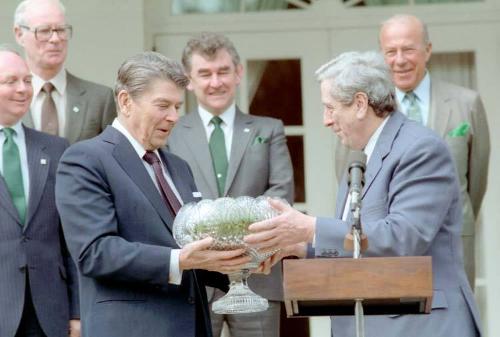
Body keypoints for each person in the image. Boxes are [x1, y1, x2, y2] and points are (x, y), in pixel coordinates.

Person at [245, 51, 482, 337]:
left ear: (360, 104)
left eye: (330, 108)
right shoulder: (360, 158)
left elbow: (402, 237)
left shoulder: (420, 149)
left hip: (420, 324)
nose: (326, 120)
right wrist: (301, 248)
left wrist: (310, 228)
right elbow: (358, 246)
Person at [55, 51, 253, 337]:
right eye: (163, 105)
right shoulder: (85, 159)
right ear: (125, 101)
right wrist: (180, 260)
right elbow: (95, 253)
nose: (173, 117)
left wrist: (239, 262)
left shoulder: (178, 166)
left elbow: (195, 252)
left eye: (176, 106)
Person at [336, 14, 490, 288]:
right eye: (390, 52)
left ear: (427, 50)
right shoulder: (363, 111)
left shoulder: (467, 103)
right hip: (385, 248)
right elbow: (349, 181)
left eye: (408, 49)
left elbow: (475, 184)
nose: (400, 60)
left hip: (452, 244)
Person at [168, 32, 294, 337]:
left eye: (223, 71)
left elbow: (281, 193)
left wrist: (240, 243)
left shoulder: (268, 128)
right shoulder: (171, 133)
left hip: (259, 273)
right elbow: (168, 199)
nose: (215, 82)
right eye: (205, 74)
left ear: (238, 73)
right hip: (196, 278)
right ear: (189, 80)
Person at [0, 45, 79, 337]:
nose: (23, 89)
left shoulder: (55, 148)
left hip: (50, 312)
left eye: (27, 80)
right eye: (11, 81)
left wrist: (77, 313)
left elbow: (69, 239)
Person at [14, 0, 116, 143]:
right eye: (44, 30)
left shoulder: (99, 99)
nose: (55, 39)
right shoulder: (6, 97)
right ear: (19, 35)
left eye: (61, 30)